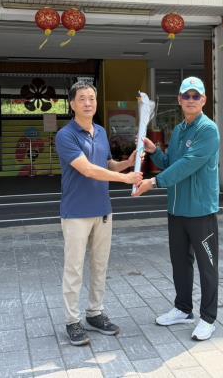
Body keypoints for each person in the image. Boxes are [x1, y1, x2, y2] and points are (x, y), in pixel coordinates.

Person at [55, 81, 143, 346]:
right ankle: (72, 321)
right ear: (72, 104)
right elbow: (88, 170)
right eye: (82, 98)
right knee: (74, 268)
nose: (88, 103)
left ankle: (95, 313)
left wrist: (127, 163)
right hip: (76, 213)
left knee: (100, 265)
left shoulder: (101, 132)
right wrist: (125, 179)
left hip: (102, 210)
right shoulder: (66, 136)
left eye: (92, 98)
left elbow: (106, 164)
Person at [134, 76, 220, 341]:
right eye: (186, 96)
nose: (191, 100)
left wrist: (153, 182)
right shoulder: (180, 129)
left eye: (196, 96)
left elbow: (188, 164)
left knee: (207, 266)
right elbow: (171, 162)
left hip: (201, 211)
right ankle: (183, 309)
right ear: (180, 100)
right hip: (177, 209)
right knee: (180, 263)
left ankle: (208, 318)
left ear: (204, 100)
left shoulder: (208, 130)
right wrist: (155, 151)